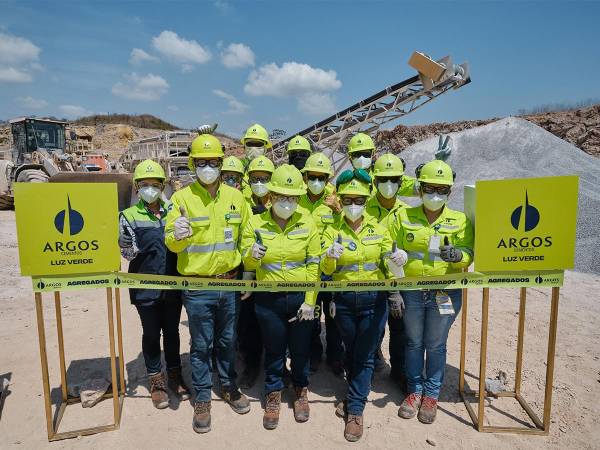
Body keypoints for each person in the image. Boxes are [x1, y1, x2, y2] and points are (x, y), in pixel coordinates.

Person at [165, 134, 251, 434]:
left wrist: (248, 275)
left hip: (229, 283)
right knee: (201, 345)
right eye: (201, 162)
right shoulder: (180, 199)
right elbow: (172, 246)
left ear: (221, 163)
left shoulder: (236, 198)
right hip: (198, 286)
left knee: (228, 341)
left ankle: (228, 386)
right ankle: (202, 397)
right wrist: (176, 234)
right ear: (193, 164)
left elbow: (247, 238)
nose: (208, 167)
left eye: (213, 162)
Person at [321, 169, 406, 442]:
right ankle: (355, 387)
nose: (353, 205)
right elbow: (324, 268)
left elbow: (388, 262)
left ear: (366, 200)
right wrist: (330, 257)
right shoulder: (331, 229)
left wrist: (397, 259)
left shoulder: (378, 229)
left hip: (374, 299)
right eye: (348, 200)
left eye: (359, 199)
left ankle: (355, 408)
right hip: (343, 302)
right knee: (352, 348)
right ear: (341, 201)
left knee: (366, 353)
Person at [387, 160, 474, 424]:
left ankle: (431, 395)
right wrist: (396, 289)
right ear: (420, 189)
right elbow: (389, 253)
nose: (435, 195)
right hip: (411, 292)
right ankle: (414, 391)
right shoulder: (403, 216)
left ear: (450, 192)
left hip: (445, 291)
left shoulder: (459, 220)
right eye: (430, 188)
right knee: (413, 343)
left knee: (435, 345)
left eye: (442, 189)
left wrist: (459, 255)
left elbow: (469, 254)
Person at [241, 164, 321, 430]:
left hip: (300, 299)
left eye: (292, 197)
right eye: (281, 197)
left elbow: (313, 265)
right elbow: (247, 264)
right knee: (274, 349)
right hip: (268, 300)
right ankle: (274, 392)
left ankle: (300, 389)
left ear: (298, 198)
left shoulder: (307, 222)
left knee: (300, 350)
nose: (287, 202)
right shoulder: (255, 222)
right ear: (271, 196)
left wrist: (310, 300)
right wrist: (252, 255)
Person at [118, 159, 190, 409]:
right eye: (145, 184)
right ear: (137, 187)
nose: (150, 188)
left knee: (172, 332)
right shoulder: (128, 216)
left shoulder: (174, 210)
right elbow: (128, 256)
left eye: (155, 184)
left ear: (163, 186)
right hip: (144, 287)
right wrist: (126, 244)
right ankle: (156, 381)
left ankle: (174, 374)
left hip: (172, 284)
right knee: (151, 333)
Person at [298, 152, 345, 375]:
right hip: (308, 270)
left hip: (331, 269)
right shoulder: (296, 199)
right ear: (305, 176)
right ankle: (314, 354)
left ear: (327, 180)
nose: (316, 182)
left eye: (322, 178)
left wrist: (340, 211)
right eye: (312, 177)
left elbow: (349, 228)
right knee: (312, 317)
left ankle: (336, 356)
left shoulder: (334, 200)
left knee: (334, 317)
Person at [367, 153, 410, 385]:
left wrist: (405, 255)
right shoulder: (364, 209)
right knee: (374, 327)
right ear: (375, 182)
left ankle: (399, 371)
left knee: (400, 328)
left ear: (401, 182)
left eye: (394, 179)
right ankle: (372, 362)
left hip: (400, 280)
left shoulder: (407, 212)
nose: (389, 185)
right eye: (384, 179)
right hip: (373, 278)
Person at [237, 154, 275, 388]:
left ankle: (276, 367)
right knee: (248, 321)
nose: (259, 182)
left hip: (274, 272)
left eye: (264, 178)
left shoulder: (283, 200)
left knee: (273, 323)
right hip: (248, 268)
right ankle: (252, 365)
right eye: (255, 178)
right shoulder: (240, 201)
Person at [347, 132, 416, 196]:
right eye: (356, 154)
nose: (361, 158)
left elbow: (415, 187)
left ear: (373, 154)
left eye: (366, 154)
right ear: (350, 157)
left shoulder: (382, 176)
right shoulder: (346, 182)